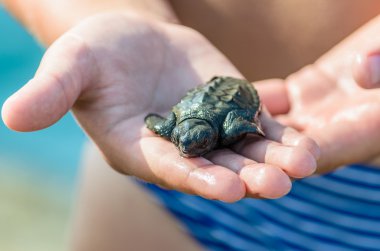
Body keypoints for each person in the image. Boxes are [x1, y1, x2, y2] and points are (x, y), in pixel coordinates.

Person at [2, 0, 380, 250]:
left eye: (195, 145)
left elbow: (238, 122)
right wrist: (104, 14)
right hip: (156, 186)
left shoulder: (226, 127)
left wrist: (249, 126)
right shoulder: (176, 130)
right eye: (188, 144)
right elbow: (159, 123)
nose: (189, 149)